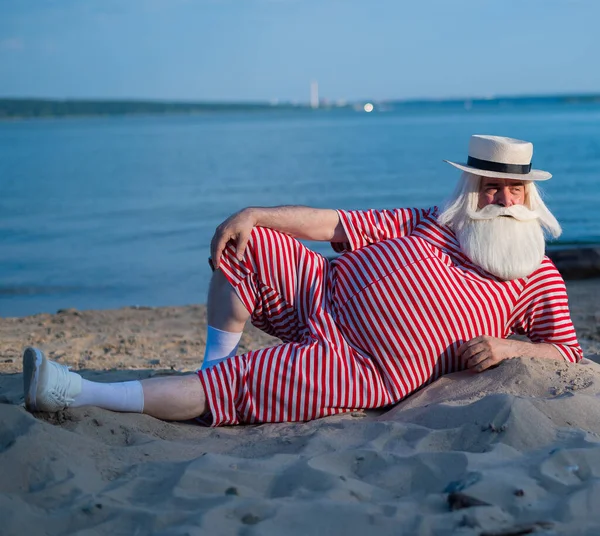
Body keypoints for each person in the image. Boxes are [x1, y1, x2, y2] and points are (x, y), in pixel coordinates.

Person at [22, 134, 582, 425]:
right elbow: (332, 222)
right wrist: (255, 214)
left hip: (367, 368)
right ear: (471, 190)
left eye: (514, 191)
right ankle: (213, 363)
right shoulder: (429, 222)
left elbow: (567, 352)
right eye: (491, 187)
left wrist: (508, 345)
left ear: (529, 196)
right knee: (249, 246)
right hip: (320, 291)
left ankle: (79, 392)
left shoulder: (537, 274)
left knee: (242, 384)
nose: (503, 200)